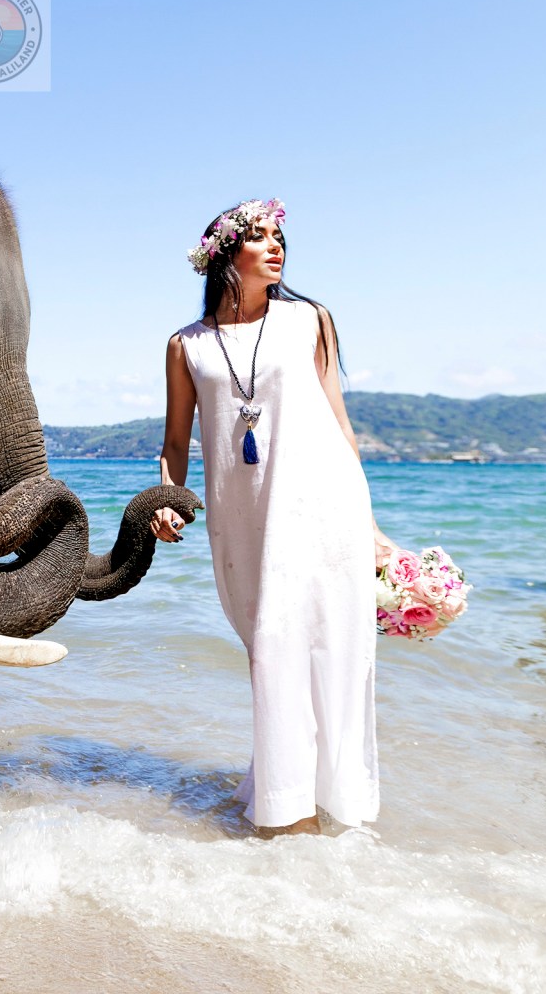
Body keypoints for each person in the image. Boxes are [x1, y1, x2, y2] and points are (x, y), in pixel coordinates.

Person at [150, 199, 393, 836]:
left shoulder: (312, 320)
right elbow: (177, 441)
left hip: (324, 504)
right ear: (225, 254)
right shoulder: (187, 347)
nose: (275, 246)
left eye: (279, 236)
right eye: (258, 237)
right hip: (244, 516)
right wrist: (166, 498)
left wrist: (369, 528)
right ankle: (287, 798)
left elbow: (340, 421)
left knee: (327, 645)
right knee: (271, 646)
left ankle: (305, 812)